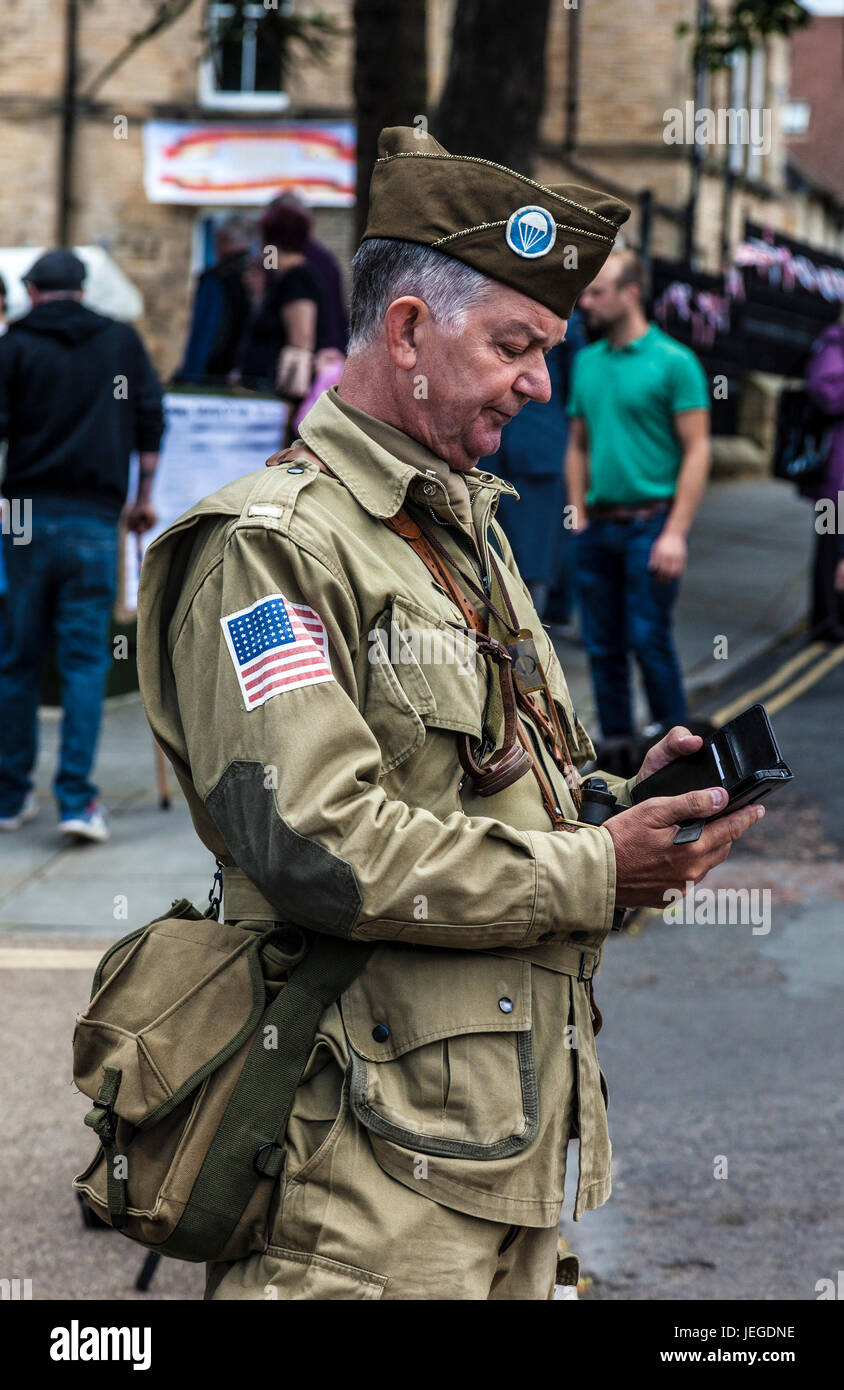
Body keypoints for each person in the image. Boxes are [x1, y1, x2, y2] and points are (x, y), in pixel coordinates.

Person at [136, 126, 764, 1301]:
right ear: (412, 330)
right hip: (365, 1192)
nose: (539, 385)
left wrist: (620, 818)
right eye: (513, 346)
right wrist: (591, 871)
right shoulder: (269, 550)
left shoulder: (461, 526)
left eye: (547, 351)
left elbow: (486, 791)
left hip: (506, 1154)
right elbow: (316, 841)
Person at [0, 250, 164, 841]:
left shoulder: (14, 343)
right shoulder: (119, 342)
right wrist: (143, 495)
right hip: (98, 514)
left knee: (17, 657)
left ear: (35, 289)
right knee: (85, 662)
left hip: (22, 512)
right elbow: (150, 419)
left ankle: (10, 794)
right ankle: (77, 801)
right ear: (81, 287)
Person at [566, 251, 711, 742]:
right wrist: (576, 514)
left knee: (649, 641)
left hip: (651, 526)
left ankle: (679, 757)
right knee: (602, 647)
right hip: (597, 528)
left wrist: (676, 532)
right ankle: (617, 760)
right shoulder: (585, 361)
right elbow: (578, 445)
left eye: (597, 292)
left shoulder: (676, 362)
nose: (585, 302)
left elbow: (697, 451)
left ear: (630, 294)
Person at [485, 309, 586, 622]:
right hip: (489, 453)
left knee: (532, 568)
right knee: (487, 561)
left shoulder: (563, 319)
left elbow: (575, 394)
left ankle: (528, 659)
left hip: (537, 453)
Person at [235, 202, 326, 428]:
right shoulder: (281, 279)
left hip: (278, 406)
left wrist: (286, 409)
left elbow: (301, 344)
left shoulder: (297, 280)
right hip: (266, 398)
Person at [804, 314, 844, 642]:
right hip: (837, 478)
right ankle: (825, 620)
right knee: (831, 548)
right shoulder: (834, 344)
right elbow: (825, 391)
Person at [268, 192, 349, 353]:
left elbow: (301, 342)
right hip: (332, 350)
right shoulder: (326, 258)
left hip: (307, 358)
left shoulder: (277, 258)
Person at [177, 215, 253, 385]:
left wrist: (191, 376)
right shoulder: (261, 275)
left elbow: (204, 331)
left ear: (224, 239)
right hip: (248, 376)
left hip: (214, 374)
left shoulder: (216, 279)